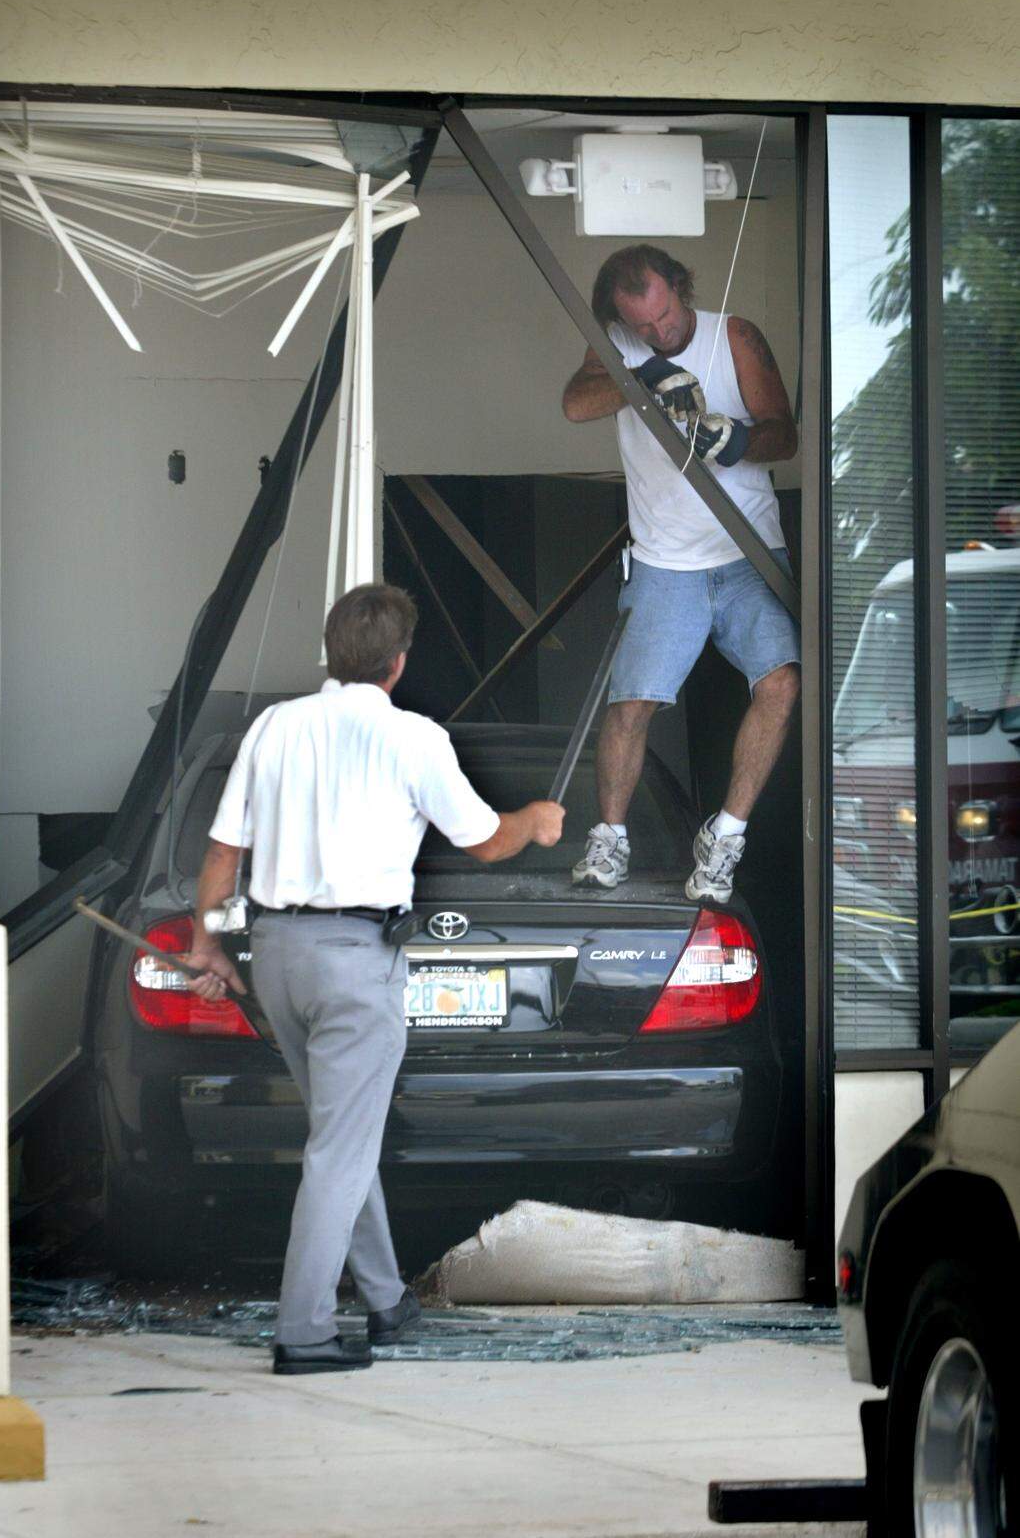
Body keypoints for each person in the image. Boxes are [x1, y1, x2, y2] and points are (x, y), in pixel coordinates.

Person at [182, 584, 565, 1375]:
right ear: (398, 662)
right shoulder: (413, 738)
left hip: (277, 955)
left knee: (339, 1138)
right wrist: (534, 819)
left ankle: (387, 1299)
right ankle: (304, 1331)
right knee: (340, 1150)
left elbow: (223, 854)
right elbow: (487, 841)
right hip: (356, 961)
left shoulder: (274, 726)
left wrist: (206, 943)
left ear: (333, 654)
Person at [562, 243, 800, 902]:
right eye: (642, 325)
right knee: (631, 702)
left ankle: (725, 837)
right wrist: (639, 379)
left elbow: (788, 432)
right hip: (666, 561)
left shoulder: (734, 335)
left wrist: (742, 440)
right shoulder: (618, 342)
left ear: (682, 289)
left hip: (748, 552)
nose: (657, 333)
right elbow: (576, 404)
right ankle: (608, 840)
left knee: (781, 683)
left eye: (665, 317)